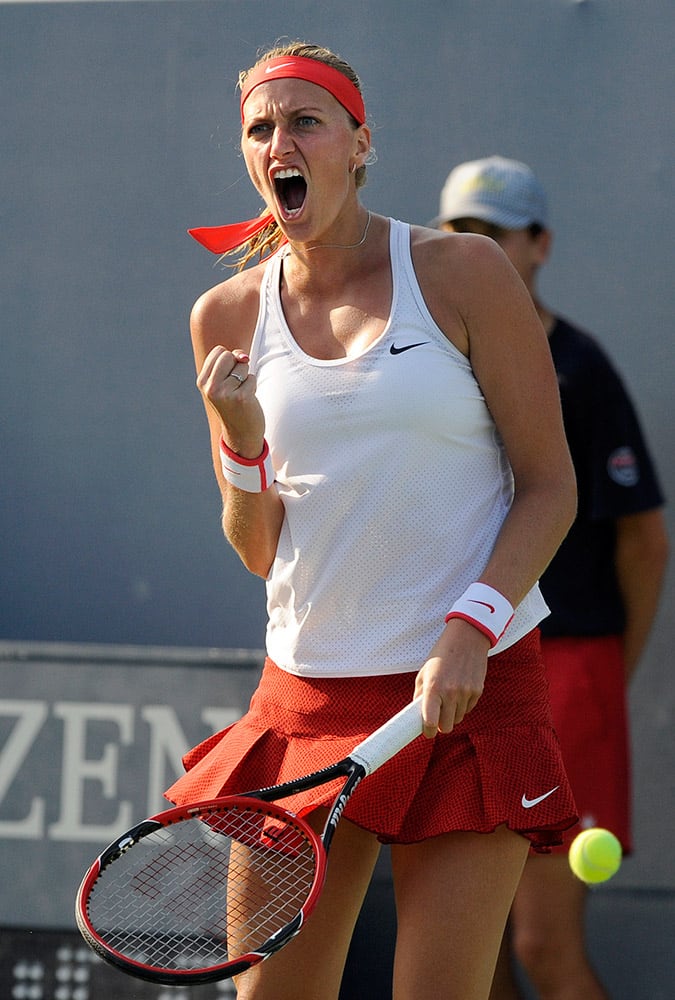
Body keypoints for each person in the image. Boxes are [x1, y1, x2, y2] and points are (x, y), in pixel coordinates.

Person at [166, 46, 579, 1000]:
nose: (280, 143)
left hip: (470, 685)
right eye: (260, 128)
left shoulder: (463, 270)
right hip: (303, 703)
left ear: (358, 145)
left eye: (305, 122)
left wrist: (470, 627)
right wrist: (240, 440)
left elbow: (549, 484)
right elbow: (258, 548)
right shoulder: (222, 314)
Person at [432, 155, 668, 1000]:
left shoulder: (582, 369)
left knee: (541, 945)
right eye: (461, 235)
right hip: (456, 678)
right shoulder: (425, 368)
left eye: (494, 236)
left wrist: (603, 675)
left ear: (539, 245)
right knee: (471, 952)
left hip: (567, 672)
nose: (478, 252)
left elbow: (644, 543)